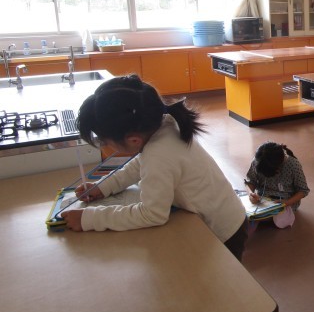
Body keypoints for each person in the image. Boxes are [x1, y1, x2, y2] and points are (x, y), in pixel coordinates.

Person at [61, 74, 248, 261]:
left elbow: (152, 214)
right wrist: (104, 187)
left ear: (133, 140)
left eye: (106, 142)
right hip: (226, 215)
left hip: (223, 230)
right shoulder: (163, 125)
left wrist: (90, 219)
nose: (106, 147)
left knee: (218, 276)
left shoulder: (159, 154)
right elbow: (140, 164)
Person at [245, 142, 310, 229]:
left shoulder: (293, 164)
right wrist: (251, 194)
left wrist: (287, 202)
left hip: (286, 201)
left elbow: (303, 190)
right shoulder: (258, 161)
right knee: (243, 210)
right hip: (262, 199)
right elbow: (250, 181)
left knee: (265, 217)